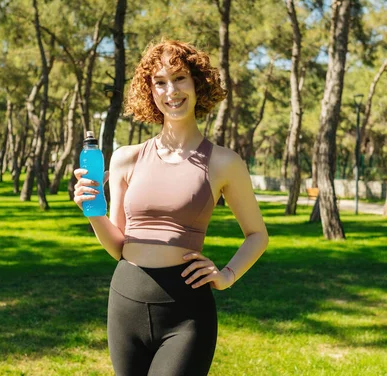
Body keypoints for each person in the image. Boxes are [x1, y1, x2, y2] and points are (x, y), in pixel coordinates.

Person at [73, 39, 268, 376]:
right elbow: (118, 246)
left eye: (179, 78)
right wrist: (92, 212)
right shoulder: (125, 158)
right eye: (159, 82)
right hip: (125, 302)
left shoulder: (224, 162)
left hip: (187, 310)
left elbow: (257, 235)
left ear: (197, 83)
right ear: (150, 91)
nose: (170, 91)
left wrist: (226, 276)